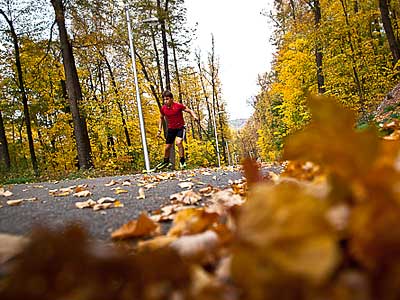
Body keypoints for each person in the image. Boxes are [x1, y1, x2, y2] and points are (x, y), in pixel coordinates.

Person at [155, 90, 198, 169]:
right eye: (164, 99)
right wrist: (159, 130)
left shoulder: (178, 106)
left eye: (167, 99)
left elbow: (189, 110)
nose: (165, 101)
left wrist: (194, 116)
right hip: (171, 129)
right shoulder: (163, 108)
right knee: (167, 147)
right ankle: (166, 162)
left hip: (180, 127)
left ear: (171, 99)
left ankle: (182, 161)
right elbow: (161, 118)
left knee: (178, 142)